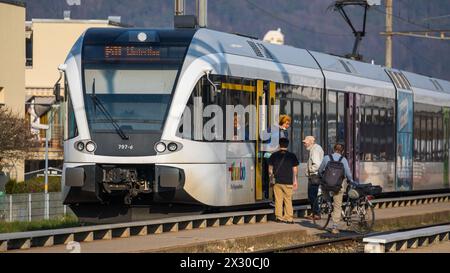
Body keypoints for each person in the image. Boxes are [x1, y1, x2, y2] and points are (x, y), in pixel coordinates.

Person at [318, 143, 354, 235]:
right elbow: (348, 174)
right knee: (338, 206)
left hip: (327, 185)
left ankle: (329, 204)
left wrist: (323, 177)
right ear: (342, 151)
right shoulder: (344, 160)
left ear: (333, 149)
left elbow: (320, 170)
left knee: (324, 190)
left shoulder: (327, 158)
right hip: (338, 186)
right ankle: (334, 227)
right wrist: (351, 181)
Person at [268, 138, 299, 224]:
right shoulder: (292, 156)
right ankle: (289, 218)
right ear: (287, 145)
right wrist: (295, 181)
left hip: (277, 181)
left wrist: (271, 180)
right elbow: (295, 170)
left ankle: (279, 217)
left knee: (278, 200)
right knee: (288, 200)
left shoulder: (274, 155)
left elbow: (270, 169)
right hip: (288, 181)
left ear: (279, 144)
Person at [302, 136, 324, 220]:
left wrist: (309, 170)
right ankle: (314, 213)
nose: (304, 144)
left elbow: (317, 164)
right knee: (313, 195)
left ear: (311, 142)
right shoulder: (315, 148)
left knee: (312, 195)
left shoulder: (315, 150)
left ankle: (316, 214)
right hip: (315, 175)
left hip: (314, 175)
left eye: (305, 142)